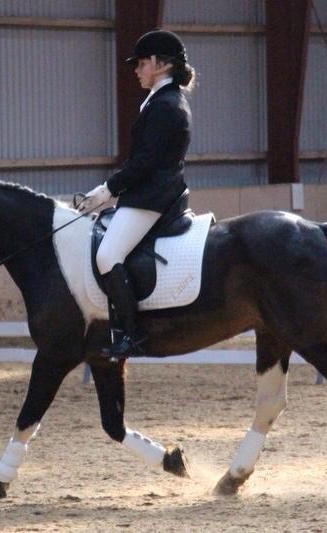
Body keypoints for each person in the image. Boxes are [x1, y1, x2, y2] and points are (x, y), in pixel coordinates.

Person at [78, 29, 195, 358]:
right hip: (153, 191)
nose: (137, 70)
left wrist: (106, 191)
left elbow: (144, 161)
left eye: (142, 63)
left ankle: (131, 334)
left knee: (107, 255)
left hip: (153, 197)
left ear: (160, 64)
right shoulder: (161, 99)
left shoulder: (166, 105)